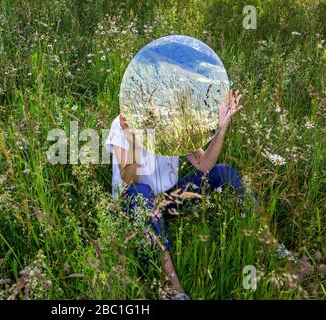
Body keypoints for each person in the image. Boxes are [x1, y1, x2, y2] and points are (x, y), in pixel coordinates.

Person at [104, 89, 245, 300]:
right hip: (133, 201)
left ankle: (265, 237)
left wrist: (222, 126)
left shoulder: (173, 123)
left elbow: (204, 164)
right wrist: (132, 140)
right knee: (142, 192)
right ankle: (176, 291)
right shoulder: (124, 122)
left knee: (224, 172)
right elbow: (129, 180)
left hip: (167, 199)